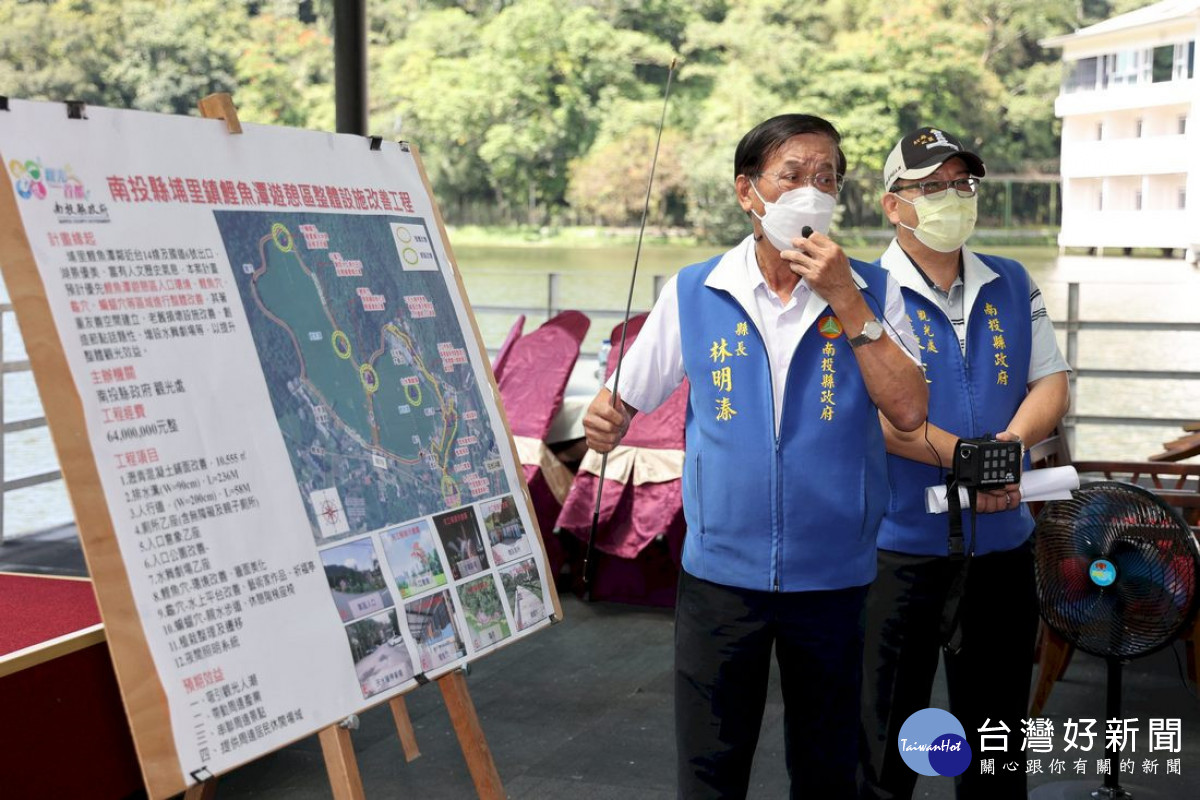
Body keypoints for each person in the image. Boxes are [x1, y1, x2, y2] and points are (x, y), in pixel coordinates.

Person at [584, 113, 928, 799]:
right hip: (721, 574)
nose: (811, 192)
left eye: (826, 179)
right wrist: (605, 417)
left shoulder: (876, 291)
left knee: (828, 769)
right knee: (711, 767)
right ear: (749, 193)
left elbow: (910, 409)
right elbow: (624, 398)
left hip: (835, 576)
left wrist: (843, 297)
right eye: (792, 176)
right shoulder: (694, 289)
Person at [857, 127, 1071, 800]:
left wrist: (1005, 451)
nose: (953, 197)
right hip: (899, 552)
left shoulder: (1009, 279)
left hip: (1004, 550)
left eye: (962, 183)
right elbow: (874, 415)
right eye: (931, 186)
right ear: (893, 205)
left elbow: (1051, 382)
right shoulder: (861, 292)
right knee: (887, 740)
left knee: (996, 748)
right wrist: (970, 461)